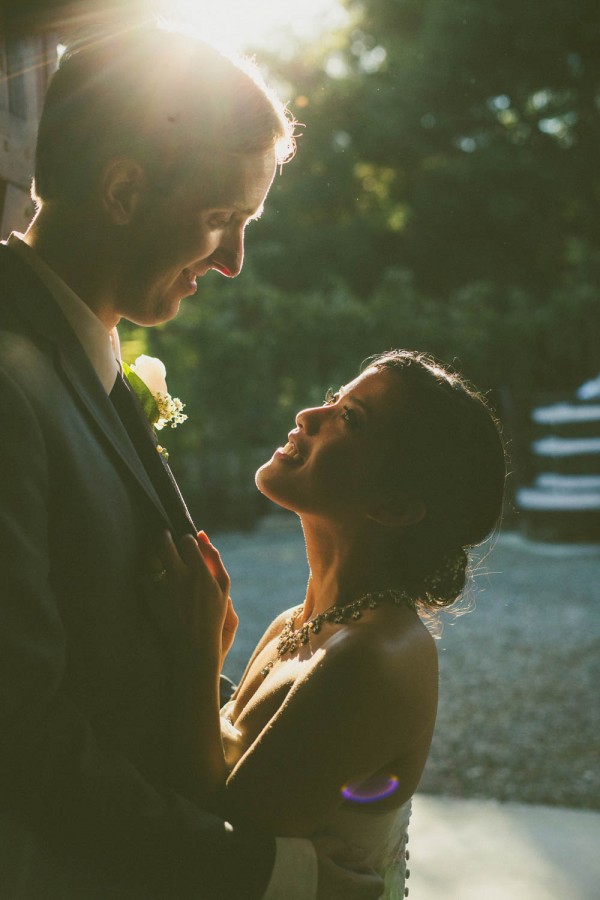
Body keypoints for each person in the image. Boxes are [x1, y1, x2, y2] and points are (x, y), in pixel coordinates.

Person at [0, 23, 383, 900]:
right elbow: (20, 732)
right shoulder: (9, 385)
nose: (236, 261)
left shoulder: (77, 351)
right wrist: (278, 877)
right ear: (125, 191)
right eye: (221, 219)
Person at [150, 350, 507, 899]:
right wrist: (212, 655)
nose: (308, 417)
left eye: (350, 419)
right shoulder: (295, 622)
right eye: (333, 399)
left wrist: (195, 654)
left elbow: (219, 837)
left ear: (394, 506)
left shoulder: (375, 657)